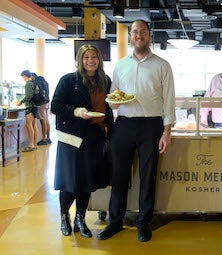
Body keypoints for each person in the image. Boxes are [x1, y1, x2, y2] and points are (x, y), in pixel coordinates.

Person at [96, 19, 175, 242]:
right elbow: (114, 97)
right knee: (119, 175)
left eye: (142, 32)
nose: (138, 35)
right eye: (134, 32)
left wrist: (166, 132)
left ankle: (143, 222)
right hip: (124, 124)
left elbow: (168, 100)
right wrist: (113, 102)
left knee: (148, 176)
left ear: (149, 35)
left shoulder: (162, 65)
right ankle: (115, 221)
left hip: (152, 125)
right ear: (130, 36)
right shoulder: (121, 65)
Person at [50, 44, 114, 238]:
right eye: (86, 57)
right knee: (70, 181)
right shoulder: (69, 80)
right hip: (72, 138)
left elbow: (107, 107)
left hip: (94, 136)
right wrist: (77, 112)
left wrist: (110, 129)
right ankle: (64, 217)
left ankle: (80, 218)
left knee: (87, 181)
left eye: (93, 57)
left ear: (99, 60)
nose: (90, 61)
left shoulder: (105, 80)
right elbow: (56, 106)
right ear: (80, 60)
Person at [17, 70, 38, 152]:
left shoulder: (28, 83)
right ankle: (35, 144)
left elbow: (28, 96)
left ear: (25, 76)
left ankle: (30, 145)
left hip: (30, 106)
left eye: (23, 77)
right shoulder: (34, 82)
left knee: (29, 125)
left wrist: (21, 101)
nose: (23, 79)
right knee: (33, 125)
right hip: (35, 106)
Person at [32, 73, 52, 146]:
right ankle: (48, 138)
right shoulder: (44, 81)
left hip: (40, 104)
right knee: (46, 120)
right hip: (46, 102)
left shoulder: (36, 82)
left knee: (42, 121)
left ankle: (43, 139)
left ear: (32, 77)